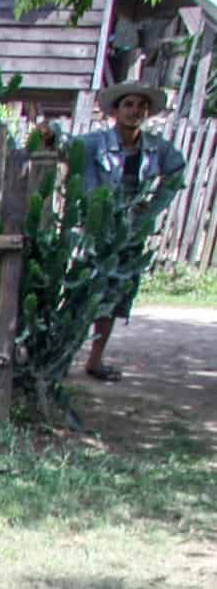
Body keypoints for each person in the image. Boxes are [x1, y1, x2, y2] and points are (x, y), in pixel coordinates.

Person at [77, 80, 187, 382]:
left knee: (115, 298)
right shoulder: (95, 144)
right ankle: (64, 354)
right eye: (128, 105)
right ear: (116, 110)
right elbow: (66, 149)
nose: (135, 111)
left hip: (130, 233)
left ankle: (95, 360)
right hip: (97, 230)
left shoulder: (155, 149)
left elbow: (177, 171)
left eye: (141, 106)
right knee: (84, 293)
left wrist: (152, 207)